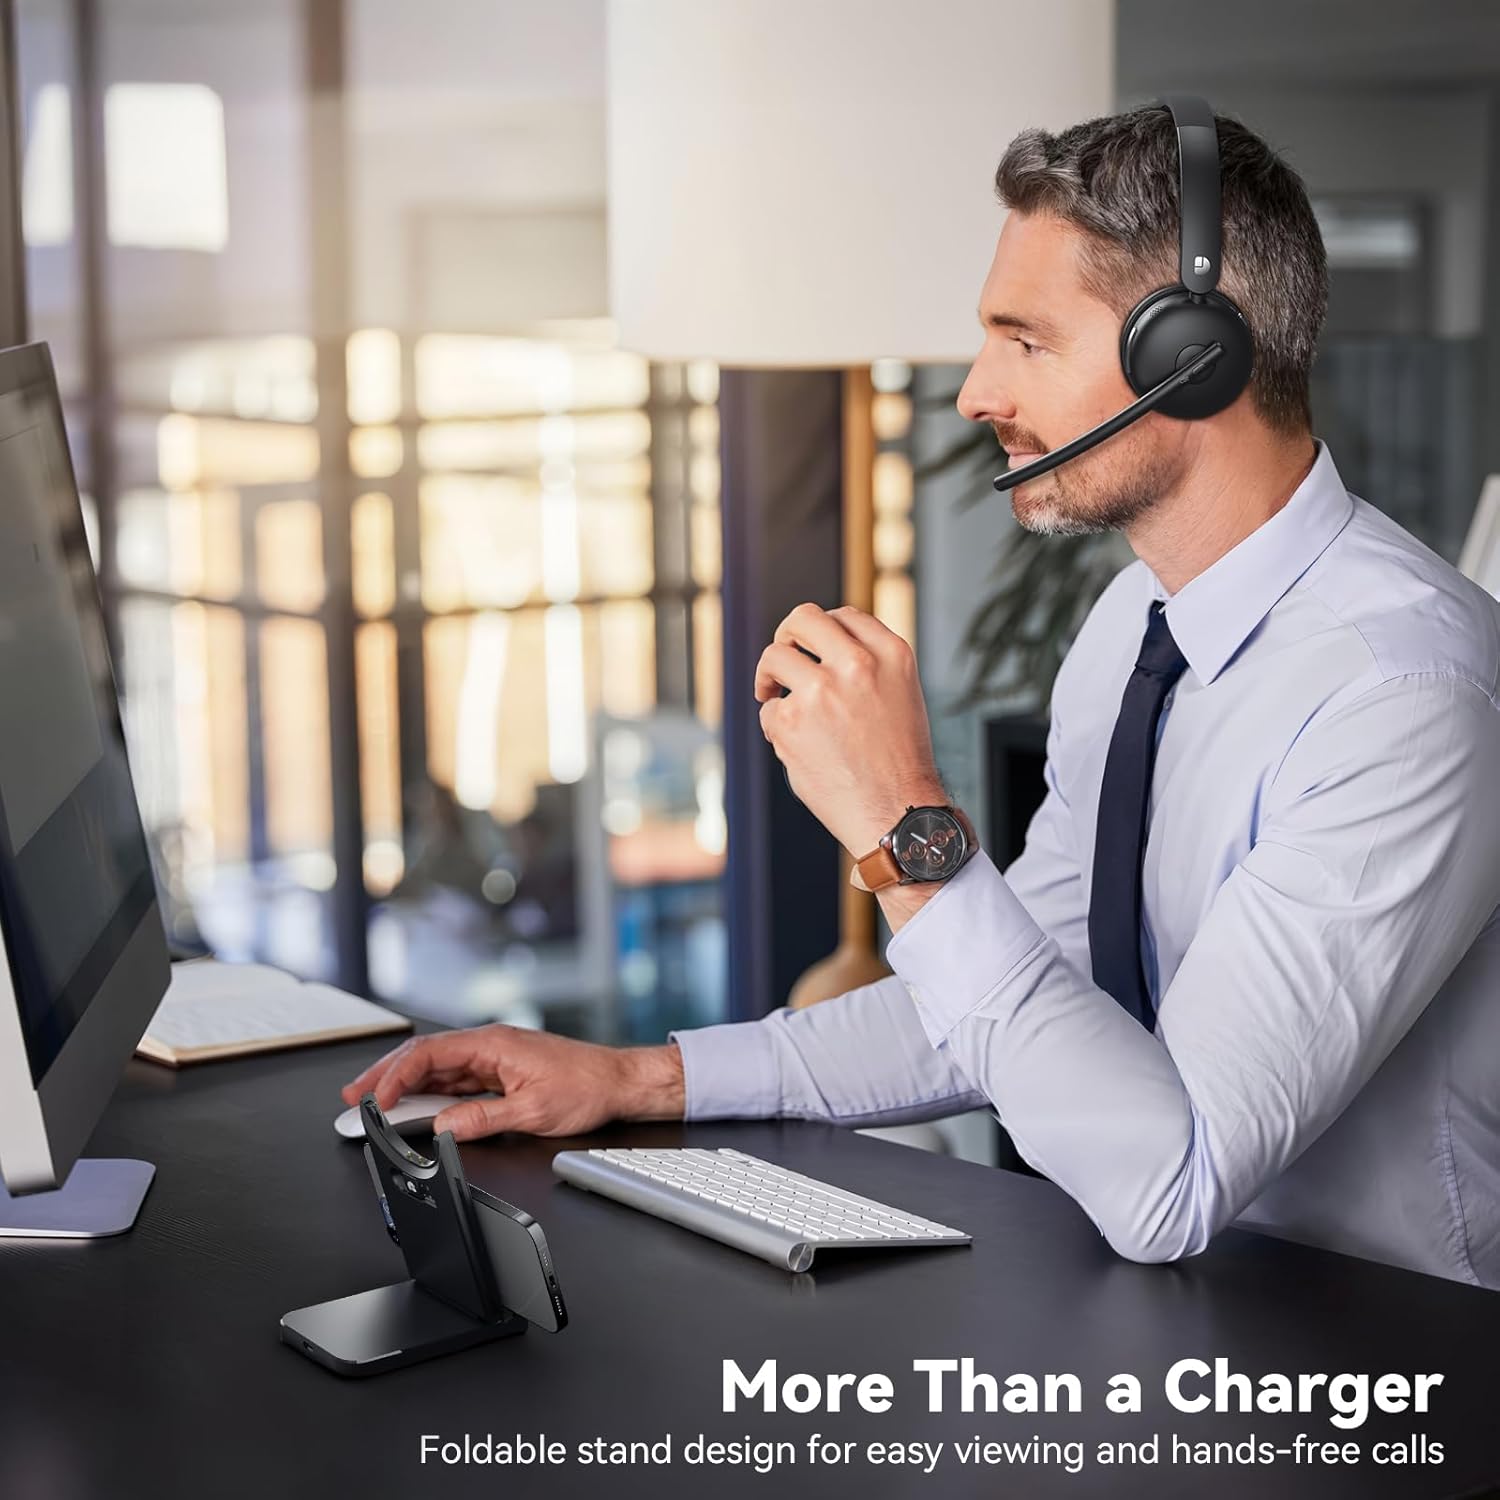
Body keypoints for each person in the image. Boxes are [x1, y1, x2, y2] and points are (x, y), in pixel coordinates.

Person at [343, 102, 1500, 1290]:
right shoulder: (1132, 629)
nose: (974, 392)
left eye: (1027, 341)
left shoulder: (1401, 695)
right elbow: (1009, 990)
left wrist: (909, 827)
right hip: (1189, 1318)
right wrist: (639, 1078)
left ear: (1190, 358)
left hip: (1396, 1363)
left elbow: (1173, 1181)